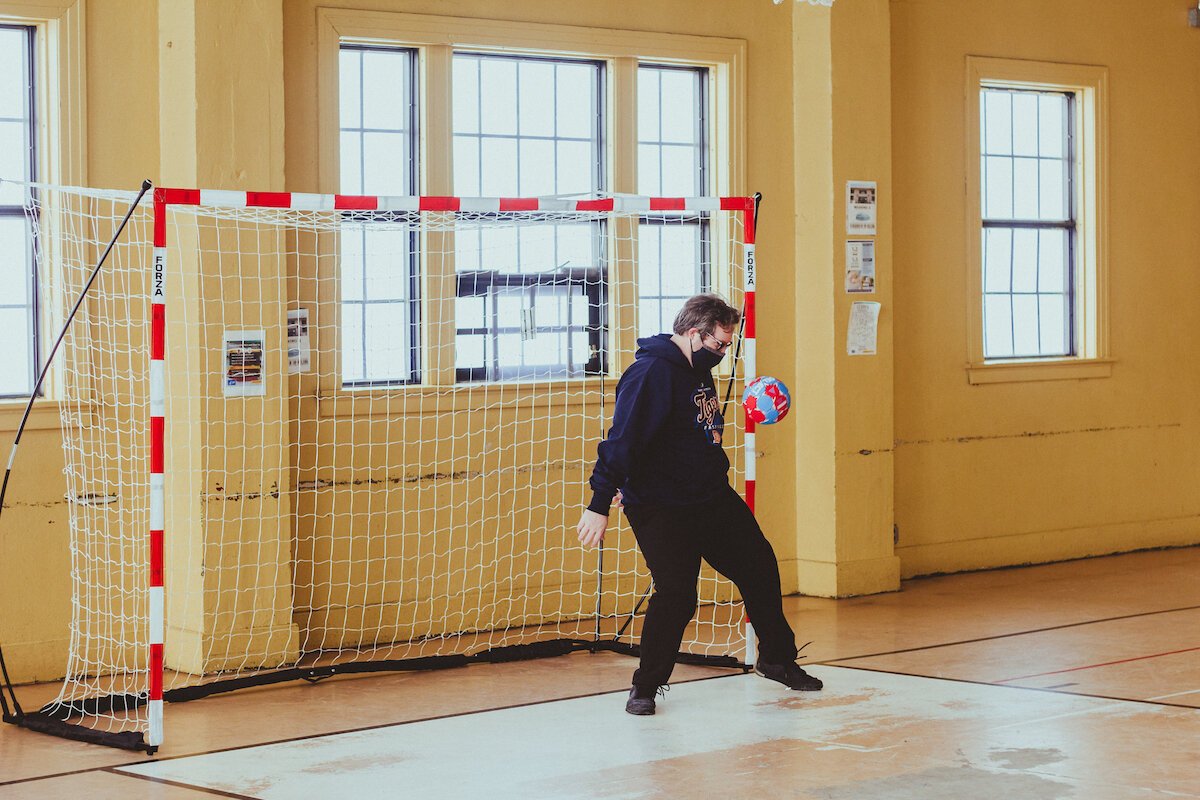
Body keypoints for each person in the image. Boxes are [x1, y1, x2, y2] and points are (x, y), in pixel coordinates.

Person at [576, 293, 823, 716]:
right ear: (693, 333)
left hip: (709, 495)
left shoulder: (695, 368)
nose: (723, 354)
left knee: (759, 567)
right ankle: (646, 686)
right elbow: (623, 440)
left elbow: (683, 435)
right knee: (677, 594)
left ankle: (777, 659)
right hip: (661, 506)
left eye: (727, 346)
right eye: (718, 345)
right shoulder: (651, 373)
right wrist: (600, 500)